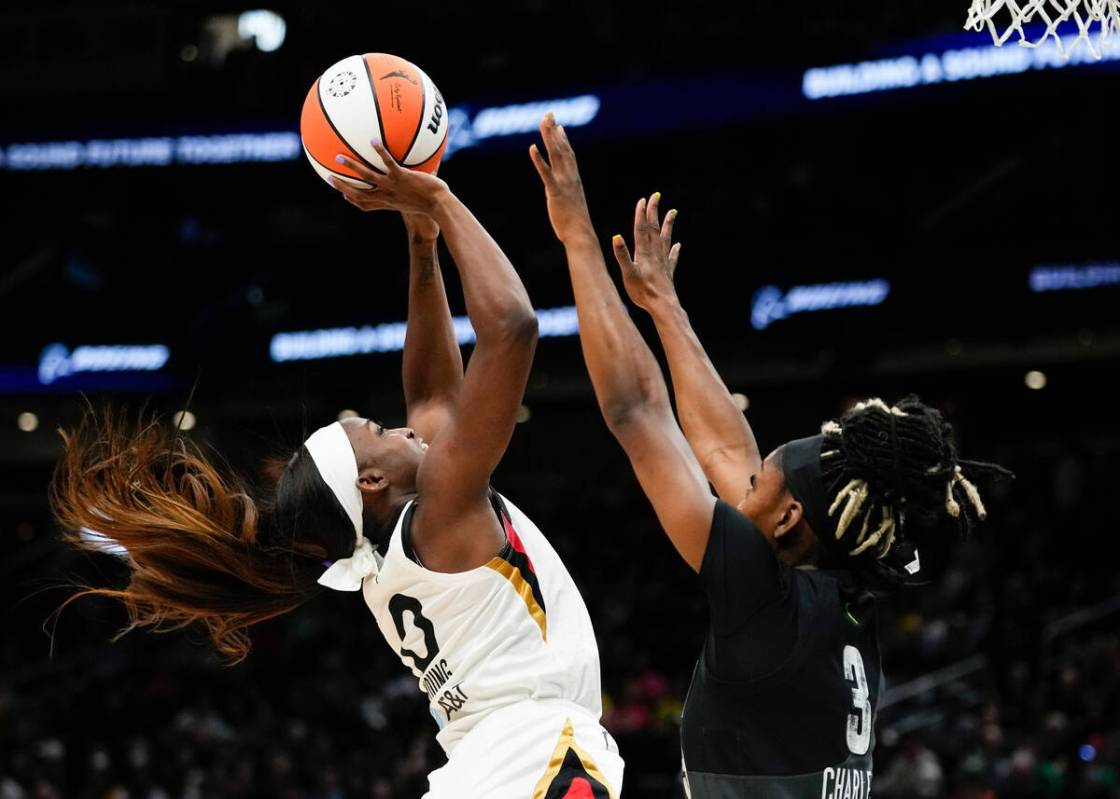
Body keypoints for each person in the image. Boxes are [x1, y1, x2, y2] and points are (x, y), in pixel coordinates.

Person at [52, 144, 623, 799]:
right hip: (534, 753)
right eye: (381, 433)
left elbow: (435, 399)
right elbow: (513, 328)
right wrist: (437, 199)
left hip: (481, 763)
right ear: (371, 483)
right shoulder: (439, 510)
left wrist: (420, 242)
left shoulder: (400, 541)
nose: (403, 428)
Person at [529, 113, 1010, 798]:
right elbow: (725, 446)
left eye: (757, 485)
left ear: (785, 523)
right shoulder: (854, 581)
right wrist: (664, 308)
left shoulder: (766, 601)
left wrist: (576, 236)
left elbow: (636, 412)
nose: (741, 483)